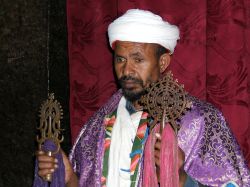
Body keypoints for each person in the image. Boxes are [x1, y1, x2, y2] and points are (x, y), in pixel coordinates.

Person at [34, 9, 250, 187]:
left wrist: (182, 178)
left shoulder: (200, 121)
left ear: (163, 63)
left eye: (138, 59)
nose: (126, 70)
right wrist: (69, 177)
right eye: (120, 59)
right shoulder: (98, 126)